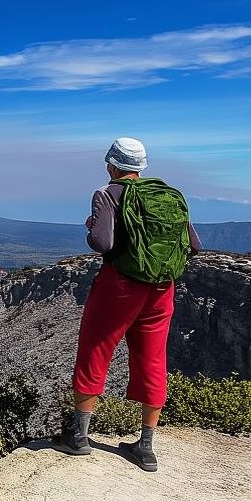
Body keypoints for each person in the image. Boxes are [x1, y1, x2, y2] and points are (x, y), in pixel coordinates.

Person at [59, 136, 201, 472]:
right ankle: (146, 447)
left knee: (95, 350)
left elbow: (102, 243)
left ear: (111, 163)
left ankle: (79, 437)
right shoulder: (168, 195)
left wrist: (93, 226)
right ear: (141, 166)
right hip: (161, 290)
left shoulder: (108, 193)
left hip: (119, 288)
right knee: (152, 359)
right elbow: (194, 245)